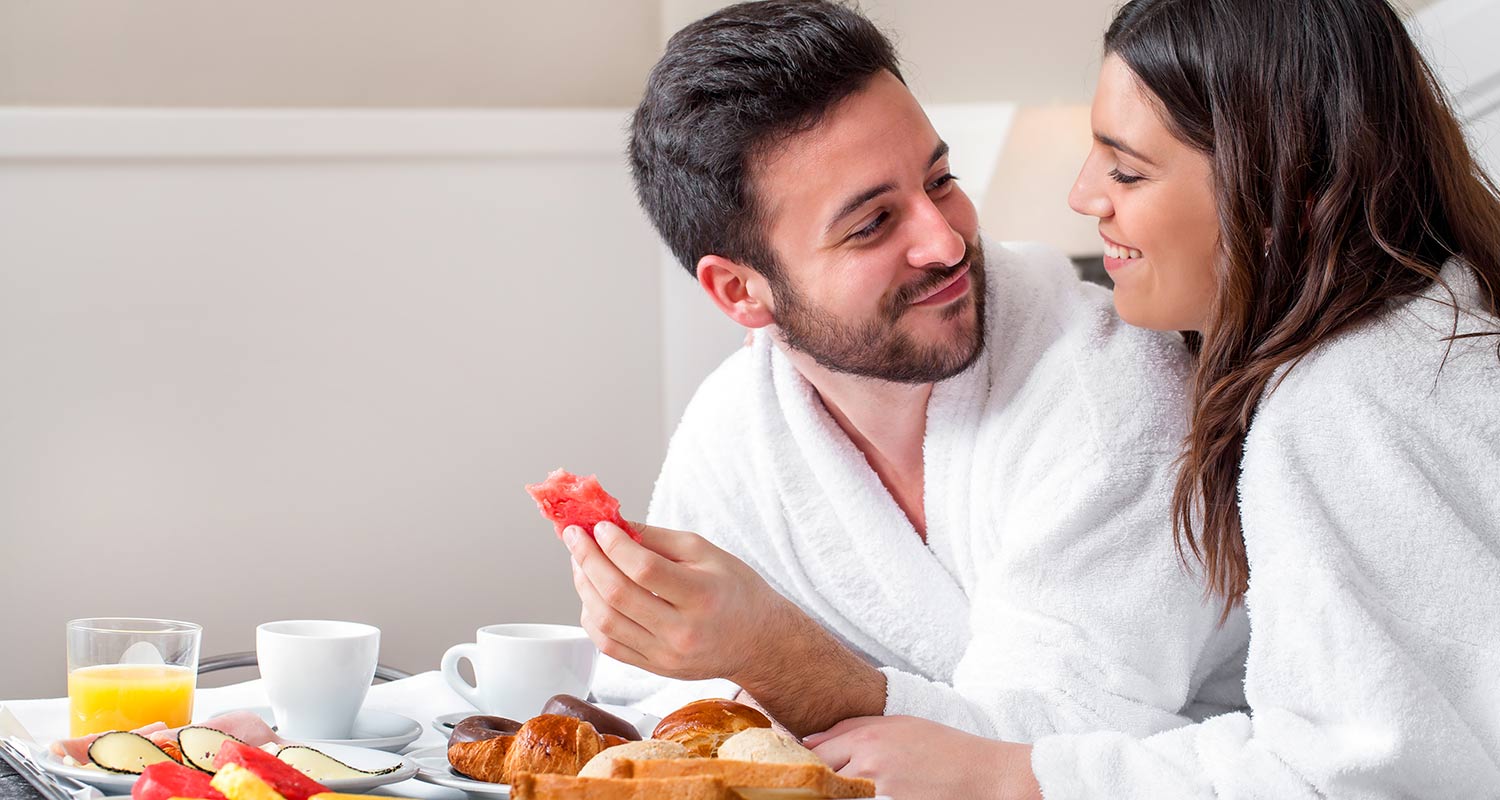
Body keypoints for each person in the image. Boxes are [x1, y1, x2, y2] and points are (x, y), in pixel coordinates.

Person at [807, 0, 1500, 796]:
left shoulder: (1342, 405)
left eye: (1126, 170)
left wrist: (1010, 776)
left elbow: (1361, 778)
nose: (1083, 196)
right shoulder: (1438, 330)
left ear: (1295, 195)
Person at [557, 0, 1247, 746]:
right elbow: (658, 702)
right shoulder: (739, 423)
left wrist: (770, 655)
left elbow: (1057, 753)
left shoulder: (1112, 393)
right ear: (741, 291)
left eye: (940, 178)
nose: (946, 242)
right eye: (873, 225)